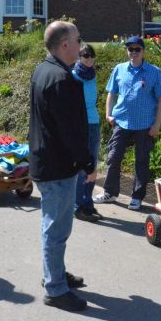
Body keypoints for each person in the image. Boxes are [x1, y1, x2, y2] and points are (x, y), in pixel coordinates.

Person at [29, 21, 96, 312]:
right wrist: (86, 162)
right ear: (65, 44)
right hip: (57, 165)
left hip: (46, 161)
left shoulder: (43, 70)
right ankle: (56, 289)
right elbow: (70, 130)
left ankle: (54, 274)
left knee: (53, 225)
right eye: (77, 40)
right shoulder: (61, 78)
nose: (82, 45)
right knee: (56, 229)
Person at [93, 35, 161, 210]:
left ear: (143, 51)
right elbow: (111, 93)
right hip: (122, 121)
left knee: (141, 161)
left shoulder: (154, 72)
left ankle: (137, 196)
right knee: (113, 157)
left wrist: (157, 124)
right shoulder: (119, 69)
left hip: (144, 124)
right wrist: (108, 114)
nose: (133, 52)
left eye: (137, 49)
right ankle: (110, 193)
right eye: (130, 49)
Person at [72, 43, 103, 223]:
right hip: (81, 124)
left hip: (94, 122)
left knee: (93, 166)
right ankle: (78, 206)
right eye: (85, 56)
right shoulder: (74, 76)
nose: (89, 59)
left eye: (91, 56)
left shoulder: (92, 76)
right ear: (79, 57)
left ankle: (87, 203)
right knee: (83, 167)